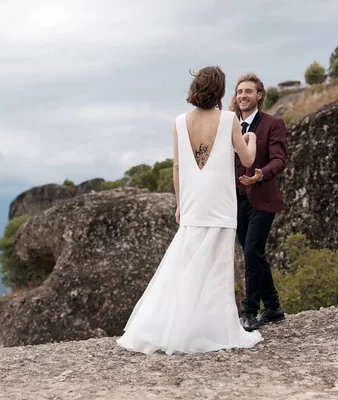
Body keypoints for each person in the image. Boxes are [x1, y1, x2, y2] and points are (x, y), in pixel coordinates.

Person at [116, 66, 262, 355]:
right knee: (217, 268)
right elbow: (247, 159)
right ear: (220, 90)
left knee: (186, 265)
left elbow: (178, 166)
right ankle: (214, 330)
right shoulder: (230, 119)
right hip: (220, 201)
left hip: (194, 201)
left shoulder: (179, 122)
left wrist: (180, 204)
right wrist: (252, 139)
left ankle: (174, 327)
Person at [231, 73, 287, 332]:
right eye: (240, 91)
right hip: (235, 201)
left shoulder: (273, 124)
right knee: (254, 255)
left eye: (248, 91)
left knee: (253, 252)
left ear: (259, 95)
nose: (243, 95)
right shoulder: (228, 125)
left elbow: (279, 159)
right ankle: (273, 306)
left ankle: (250, 312)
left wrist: (261, 174)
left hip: (263, 198)